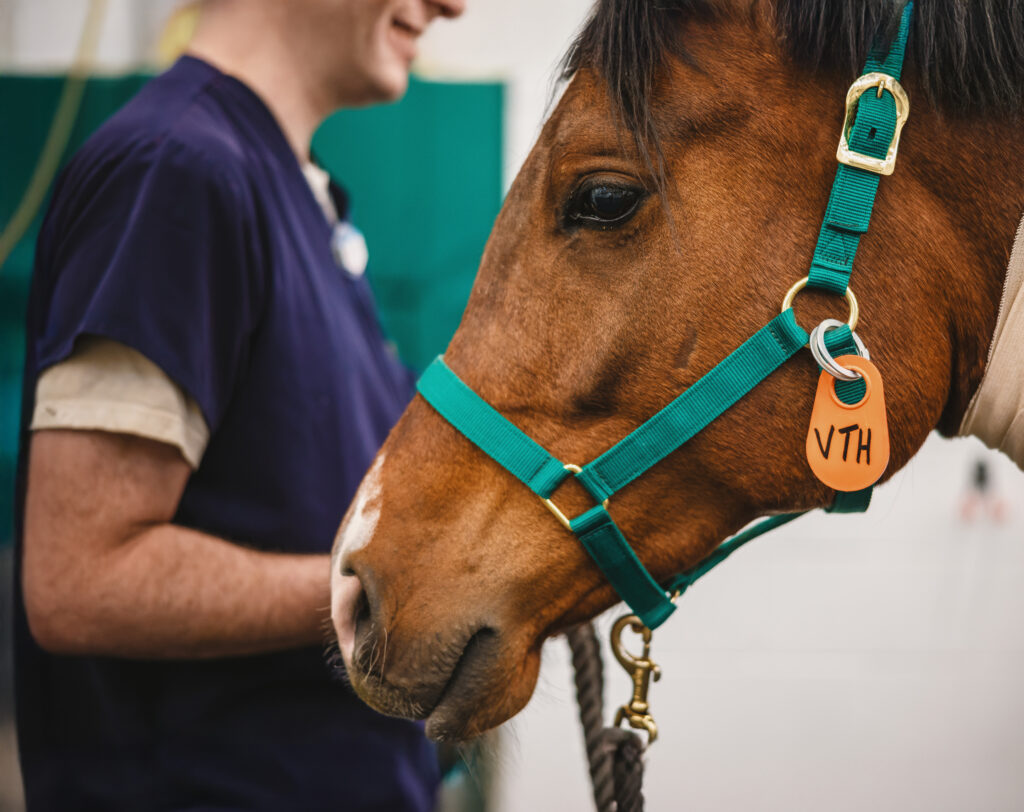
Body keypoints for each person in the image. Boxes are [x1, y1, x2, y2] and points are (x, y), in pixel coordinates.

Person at [14, 0, 464, 808]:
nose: (455, 5)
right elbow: (79, 581)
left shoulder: (293, 193)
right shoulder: (176, 169)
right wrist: (394, 594)